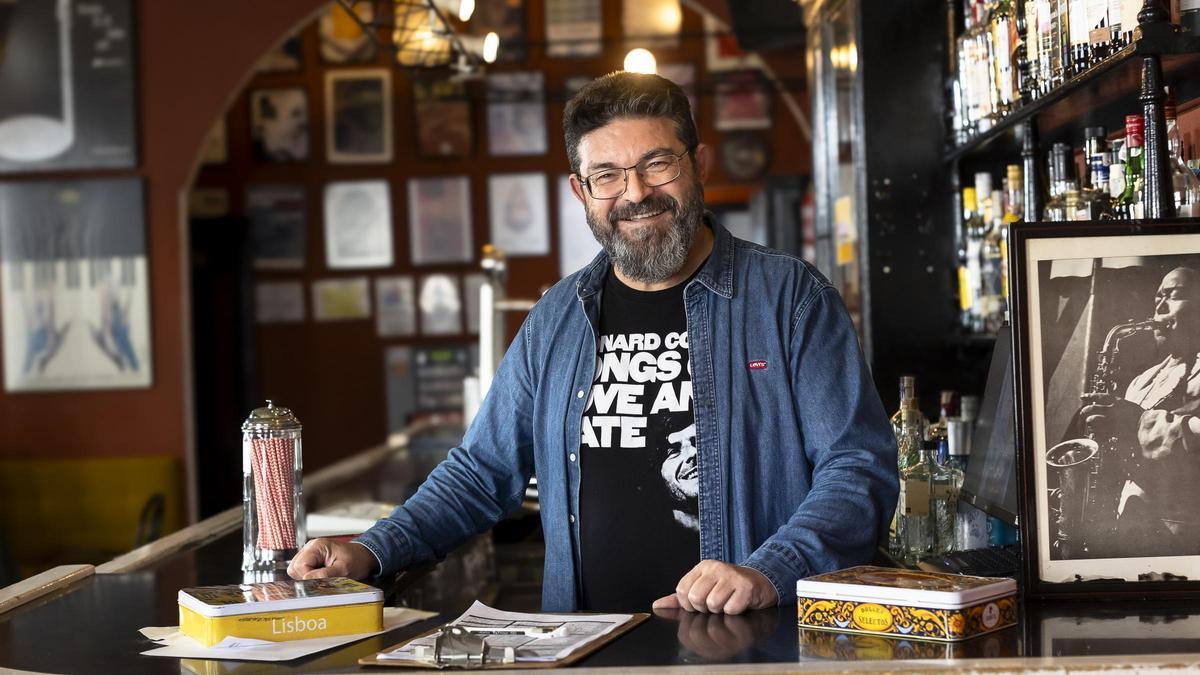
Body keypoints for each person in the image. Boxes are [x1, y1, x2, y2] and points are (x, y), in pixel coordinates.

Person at [289, 72, 898, 614]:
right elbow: (481, 472)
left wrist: (772, 570)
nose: (635, 193)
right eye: (607, 175)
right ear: (582, 192)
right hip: (586, 649)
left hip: (749, 648)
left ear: (699, 165)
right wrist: (374, 548)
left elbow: (858, 469)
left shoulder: (789, 299)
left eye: (658, 164)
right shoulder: (556, 318)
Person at [1080, 266, 1200, 558]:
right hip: (1131, 526)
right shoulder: (1141, 380)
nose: (1159, 306)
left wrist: (1137, 422)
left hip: (1182, 538)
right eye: (1158, 297)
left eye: (1175, 296)